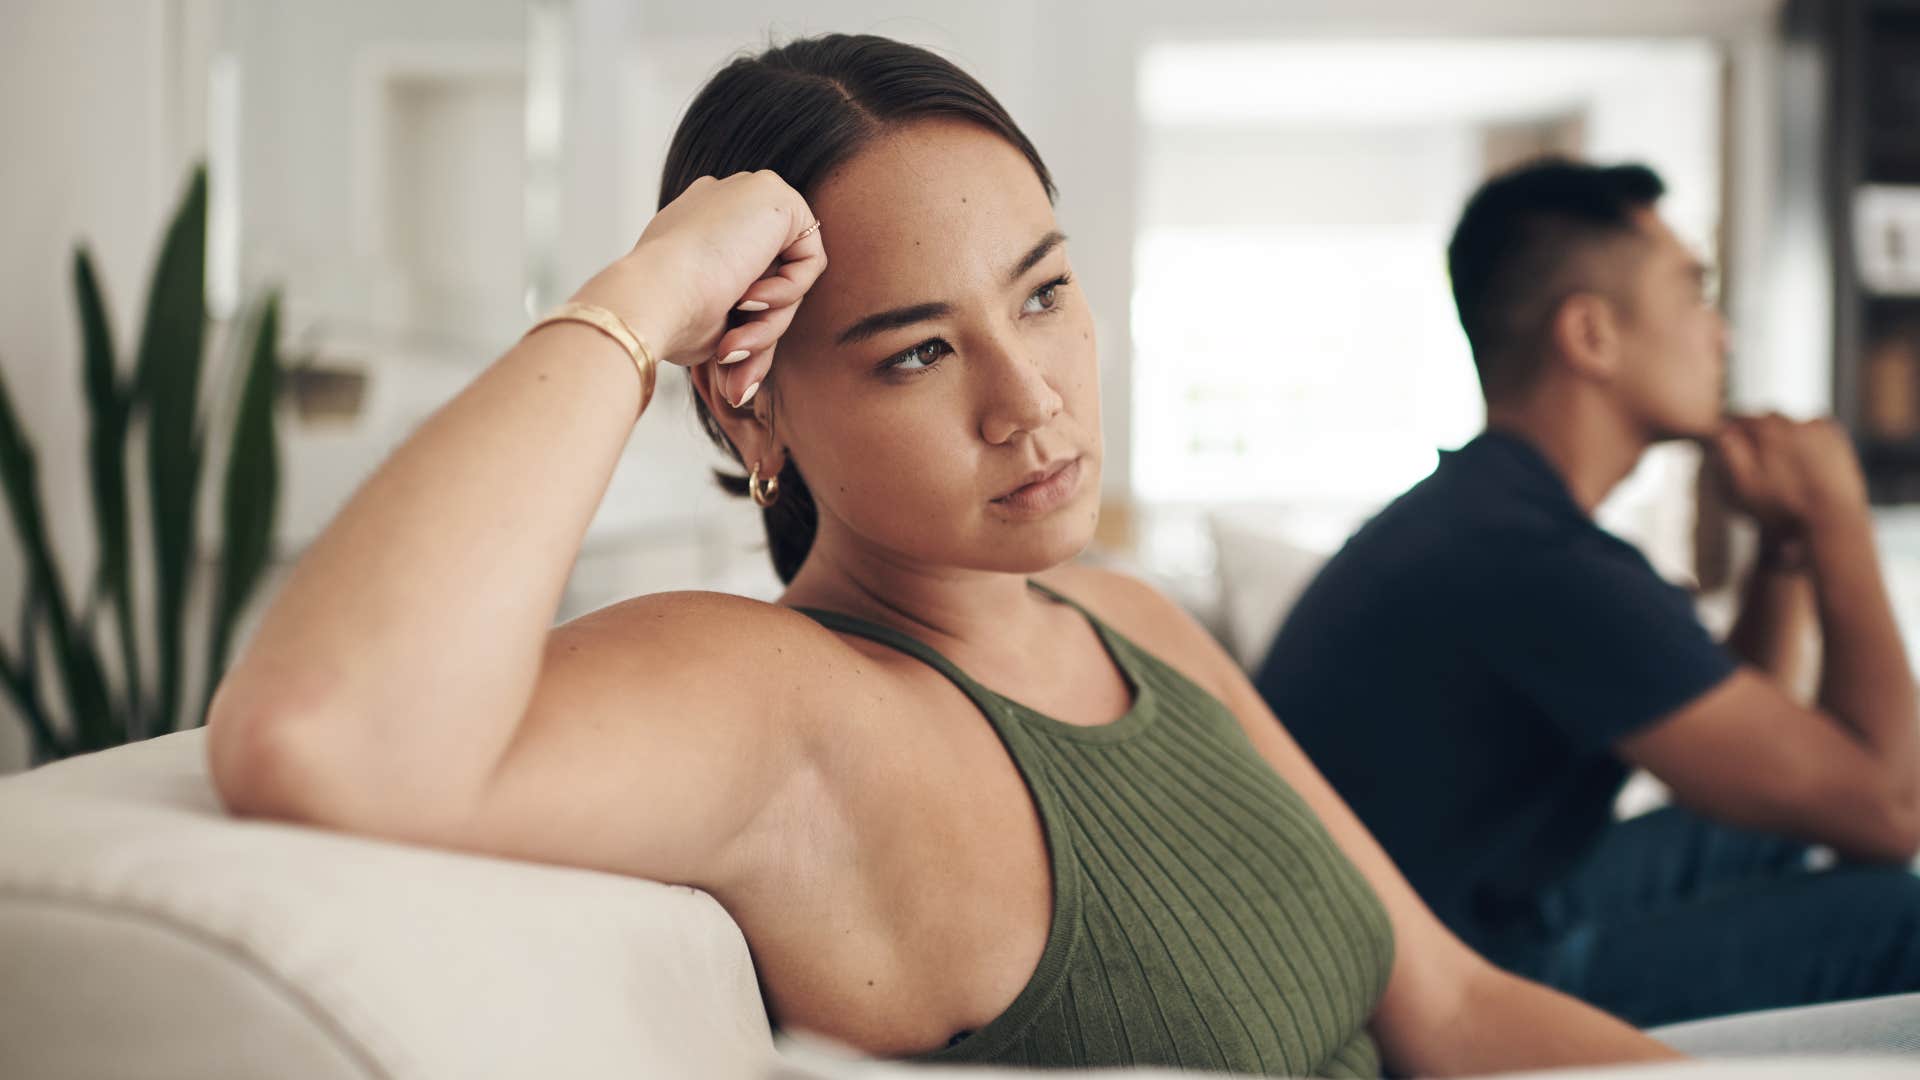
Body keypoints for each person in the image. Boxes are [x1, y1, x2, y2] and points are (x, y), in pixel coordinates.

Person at [205, 37, 1678, 1075]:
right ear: (754, 396)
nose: (1028, 398)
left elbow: (1464, 1013)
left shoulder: (1127, 618)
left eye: (1042, 295)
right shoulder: (793, 708)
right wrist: (643, 298)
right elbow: (325, 733)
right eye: (917, 353)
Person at [1255, 157, 1920, 1028]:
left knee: (1778, 825)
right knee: (1902, 918)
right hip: (1444, 986)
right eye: (1694, 294)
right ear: (1592, 335)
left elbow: (1753, 746)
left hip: (1460, 912)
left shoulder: (1491, 514)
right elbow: (1891, 809)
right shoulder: (1535, 561)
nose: (1720, 335)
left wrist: (1784, 548)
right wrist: (1840, 513)